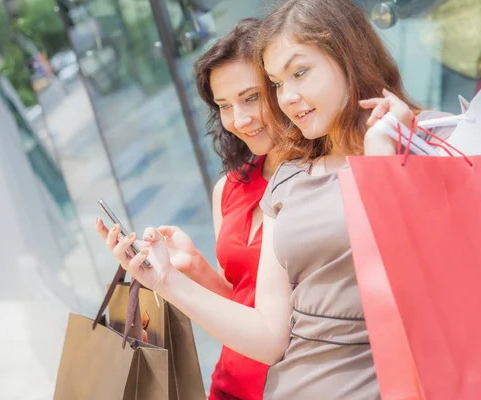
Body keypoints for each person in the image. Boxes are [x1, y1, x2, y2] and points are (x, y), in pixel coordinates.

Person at [99, 1, 455, 398]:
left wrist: (382, 150)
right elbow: (270, 333)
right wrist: (163, 278)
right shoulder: (286, 182)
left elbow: (412, 276)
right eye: (279, 83)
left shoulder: (434, 141)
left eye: (299, 73)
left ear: (348, 57)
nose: (287, 97)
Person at [96, 18, 277, 400]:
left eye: (251, 97)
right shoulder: (229, 189)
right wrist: (194, 266)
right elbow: (243, 306)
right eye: (225, 105)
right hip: (231, 384)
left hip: (294, 385)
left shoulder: (315, 181)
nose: (239, 120)